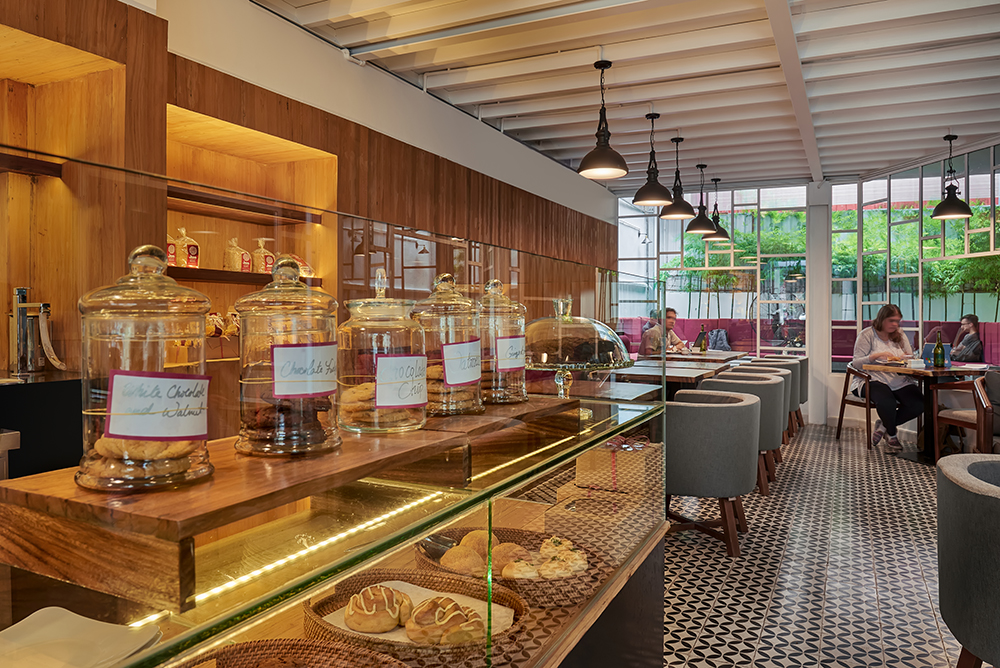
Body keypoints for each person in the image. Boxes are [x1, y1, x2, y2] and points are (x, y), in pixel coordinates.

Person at [851, 304, 923, 451]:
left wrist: (903, 358)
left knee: (920, 403)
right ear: (882, 319)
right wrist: (874, 356)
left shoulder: (900, 335)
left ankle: (884, 425)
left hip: (897, 378)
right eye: (891, 320)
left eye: (897, 321)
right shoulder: (867, 335)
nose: (895, 324)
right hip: (871, 378)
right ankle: (891, 434)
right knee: (887, 402)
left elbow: (909, 357)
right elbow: (855, 363)